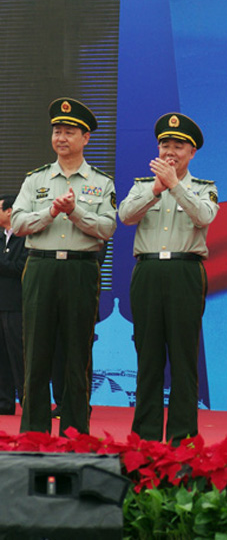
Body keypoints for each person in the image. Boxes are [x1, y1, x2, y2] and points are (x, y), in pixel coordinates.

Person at [11, 98, 116, 435]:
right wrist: (51, 212)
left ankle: (75, 430)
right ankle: (34, 432)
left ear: (86, 138)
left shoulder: (101, 182)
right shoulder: (35, 179)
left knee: (77, 352)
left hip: (80, 269)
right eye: (57, 131)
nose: (61, 137)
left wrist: (75, 212)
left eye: (69, 132)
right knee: (36, 351)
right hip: (40, 268)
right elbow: (18, 223)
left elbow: (107, 228)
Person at [119, 112, 219, 443]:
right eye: (165, 145)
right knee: (147, 355)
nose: (170, 152)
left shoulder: (204, 188)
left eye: (178, 146)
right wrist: (156, 190)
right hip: (147, 271)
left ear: (192, 152)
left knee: (183, 357)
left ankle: (182, 436)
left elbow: (204, 217)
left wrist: (175, 186)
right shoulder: (142, 186)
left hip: (185, 271)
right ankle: (145, 436)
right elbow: (125, 216)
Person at [0, 196, 27, 414]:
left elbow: (21, 267)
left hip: (17, 305)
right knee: (2, 357)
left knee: (19, 355)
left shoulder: (26, 237)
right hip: (1, 303)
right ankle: (4, 402)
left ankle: (29, 402)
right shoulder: (1, 237)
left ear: (9, 211)